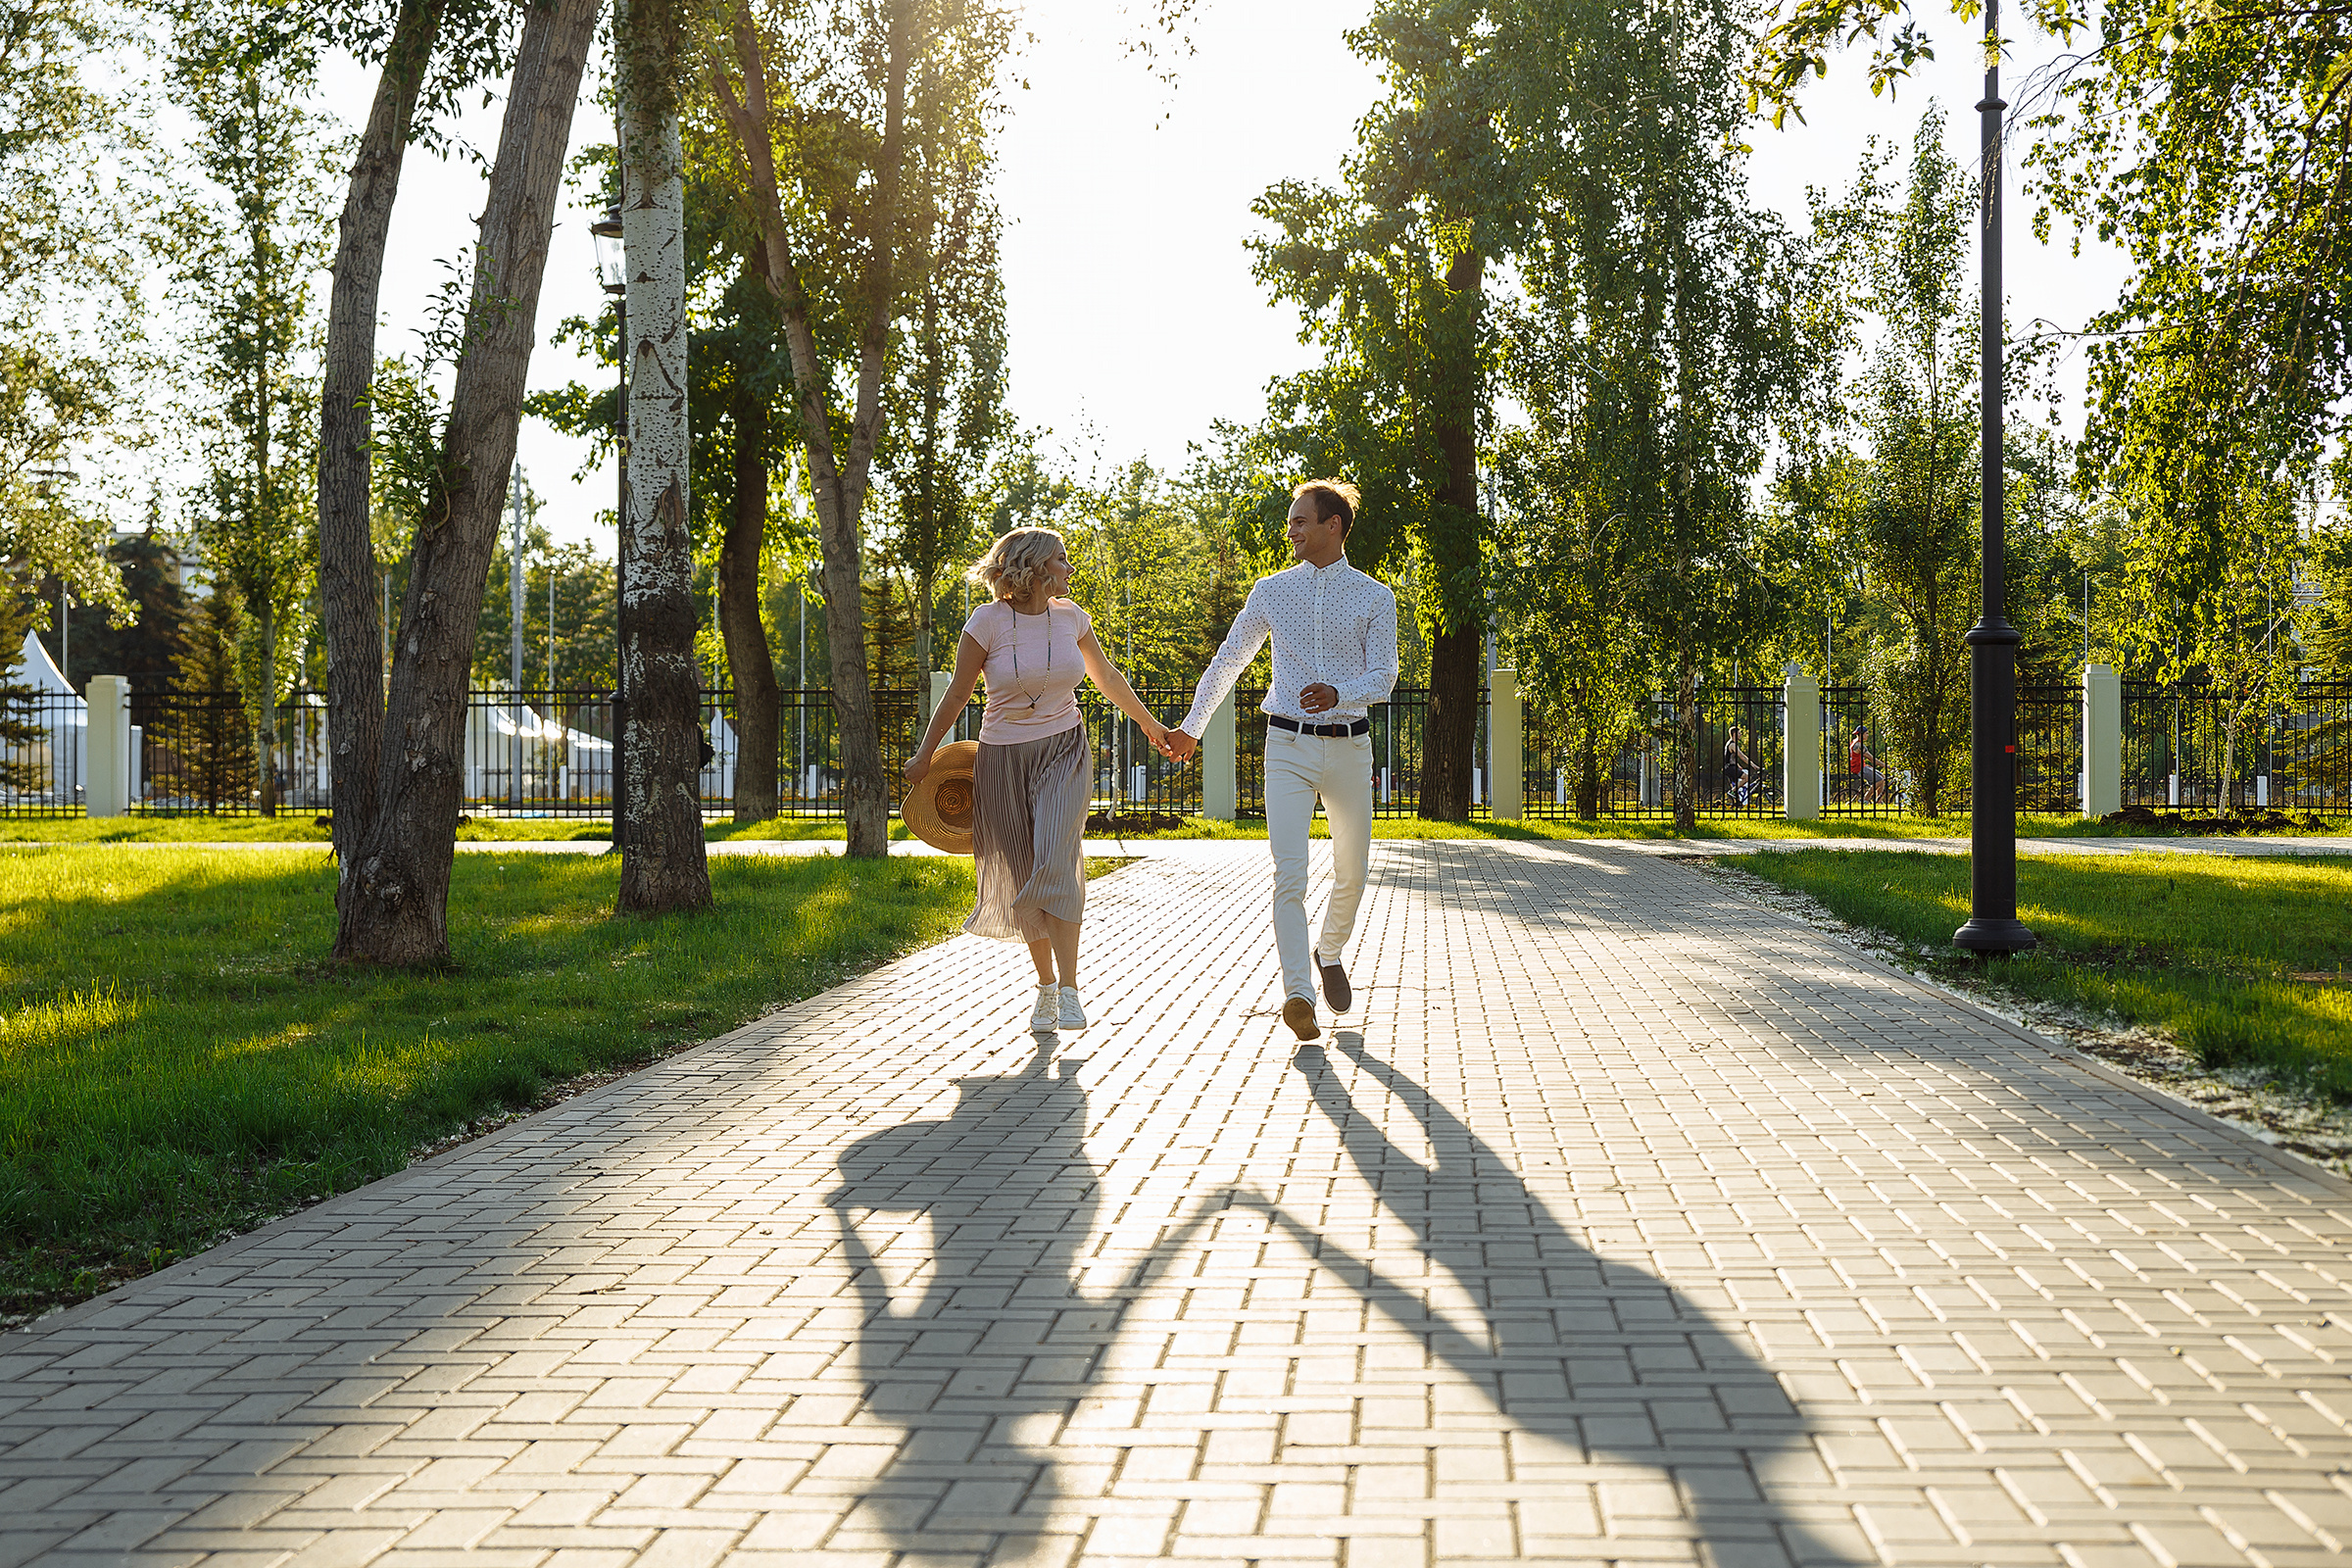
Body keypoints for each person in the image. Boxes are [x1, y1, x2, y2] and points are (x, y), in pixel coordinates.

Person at [906, 527, 1170, 1033]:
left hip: (1064, 750)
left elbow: (1107, 677)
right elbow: (958, 693)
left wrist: (1150, 725)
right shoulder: (986, 622)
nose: (1070, 569)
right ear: (1034, 567)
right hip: (1002, 759)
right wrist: (924, 755)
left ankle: (1070, 990)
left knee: (1055, 859)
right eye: (1061, 560)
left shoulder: (1071, 618)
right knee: (1024, 866)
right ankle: (1046, 986)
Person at [1161, 480, 1398, 1042]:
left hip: (1349, 746)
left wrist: (1339, 692)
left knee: (1352, 872)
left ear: (1333, 526)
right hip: (1287, 747)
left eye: (1299, 521)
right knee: (1289, 873)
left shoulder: (1374, 597)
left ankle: (1329, 951)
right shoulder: (1271, 591)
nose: (1290, 530)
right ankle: (1298, 993)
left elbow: (1385, 676)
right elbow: (1228, 661)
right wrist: (1192, 728)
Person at [1848, 724, 1886, 804]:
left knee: (1882, 777)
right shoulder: (1859, 745)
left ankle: (1879, 801)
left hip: (1861, 766)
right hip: (1859, 768)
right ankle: (1865, 799)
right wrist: (1886, 766)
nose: (1868, 735)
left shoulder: (1855, 742)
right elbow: (1872, 759)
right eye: (1866, 733)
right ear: (1861, 734)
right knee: (1880, 780)